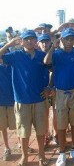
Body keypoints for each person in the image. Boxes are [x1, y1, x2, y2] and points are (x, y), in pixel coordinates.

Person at [0, 30, 49, 166]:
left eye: (32, 39)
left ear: (36, 41)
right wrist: (9, 43)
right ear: (22, 41)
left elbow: (53, 71)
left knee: (40, 131)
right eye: (27, 39)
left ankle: (41, 155)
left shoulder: (42, 56)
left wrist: (50, 88)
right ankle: (24, 156)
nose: (30, 41)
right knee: (23, 132)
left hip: (39, 100)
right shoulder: (15, 56)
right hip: (22, 101)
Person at [44, 28, 74, 166]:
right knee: (61, 125)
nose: (69, 41)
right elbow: (46, 62)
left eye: (72, 38)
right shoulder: (56, 54)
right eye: (67, 39)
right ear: (62, 40)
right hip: (60, 93)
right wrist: (53, 46)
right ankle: (62, 153)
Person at [0, 43, 15, 161]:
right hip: (1, 101)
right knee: (3, 127)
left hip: (13, 100)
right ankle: (7, 147)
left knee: (19, 125)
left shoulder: (12, 66)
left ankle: (21, 144)